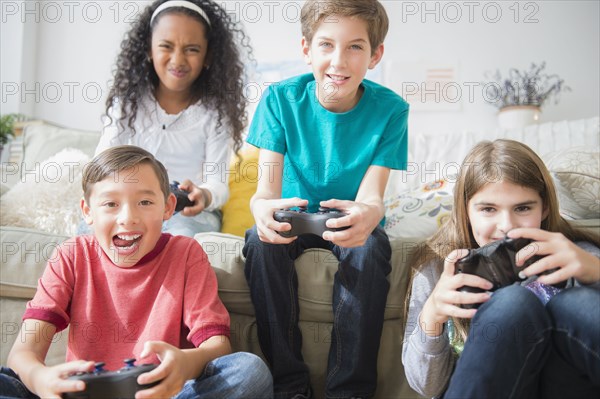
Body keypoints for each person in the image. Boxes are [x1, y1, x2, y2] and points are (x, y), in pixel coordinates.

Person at [0, 145, 273, 399]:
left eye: (144, 202)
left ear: (167, 208)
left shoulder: (186, 253)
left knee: (249, 371)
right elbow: (23, 353)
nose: (128, 217)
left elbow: (218, 346)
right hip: (85, 392)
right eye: (110, 204)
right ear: (87, 211)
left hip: (164, 393)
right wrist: (40, 379)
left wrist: (185, 363)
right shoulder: (70, 256)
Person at [243, 1, 409, 397]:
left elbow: (372, 198)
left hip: (350, 222)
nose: (339, 61)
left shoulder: (392, 110)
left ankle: (349, 389)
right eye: (326, 46)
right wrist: (260, 210)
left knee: (369, 248)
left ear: (375, 55)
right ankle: (288, 384)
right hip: (293, 216)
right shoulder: (279, 100)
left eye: (355, 47)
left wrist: (369, 213)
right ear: (306, 50)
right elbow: (265, 192)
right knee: (258, 243)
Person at [402, 139, 600, 398]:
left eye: (523, 208)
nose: (506, 225)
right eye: (488, 209)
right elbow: (427, 387)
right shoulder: (437, 271)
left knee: (575, 302)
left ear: (545, 208)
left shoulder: (579, 255)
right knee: (514, 302)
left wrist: (596, 272)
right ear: (465, 210)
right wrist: (432, 315)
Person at [95, 0, 252, 237]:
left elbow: (217, 184)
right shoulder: (127, 104)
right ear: (149, 48)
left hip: (188, 213)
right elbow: (100, 166)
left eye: (192, 49)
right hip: (130, 205)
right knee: (92, 233)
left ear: (208, 56)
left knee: (180, 240)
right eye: (166, 46)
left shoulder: (216, 115)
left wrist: (204, 194)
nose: (178, 60)